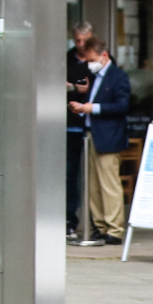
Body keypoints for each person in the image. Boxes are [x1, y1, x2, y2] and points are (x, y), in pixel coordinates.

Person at [74, 39, 132, 243]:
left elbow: (122, 106)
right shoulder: (92, 77)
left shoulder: (118, 77)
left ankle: (114, 229)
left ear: (104, 55)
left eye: (92, 59)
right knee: (94, 186)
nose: (89, 63)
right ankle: (99, 225)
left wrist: (93, 108)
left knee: (109, 184)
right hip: (90, 134)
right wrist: (82, 108)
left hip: (108, 136)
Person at [65, 21, 100, 245]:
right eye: (77, 40)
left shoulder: (99, 59)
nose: (80, 45)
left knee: (94, 176)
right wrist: (72, 88)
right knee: (70, 174)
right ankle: (69, 219)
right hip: (70, 123)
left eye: (84, 40)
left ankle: (97, 223)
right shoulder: (67, 58)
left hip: (93, 124)